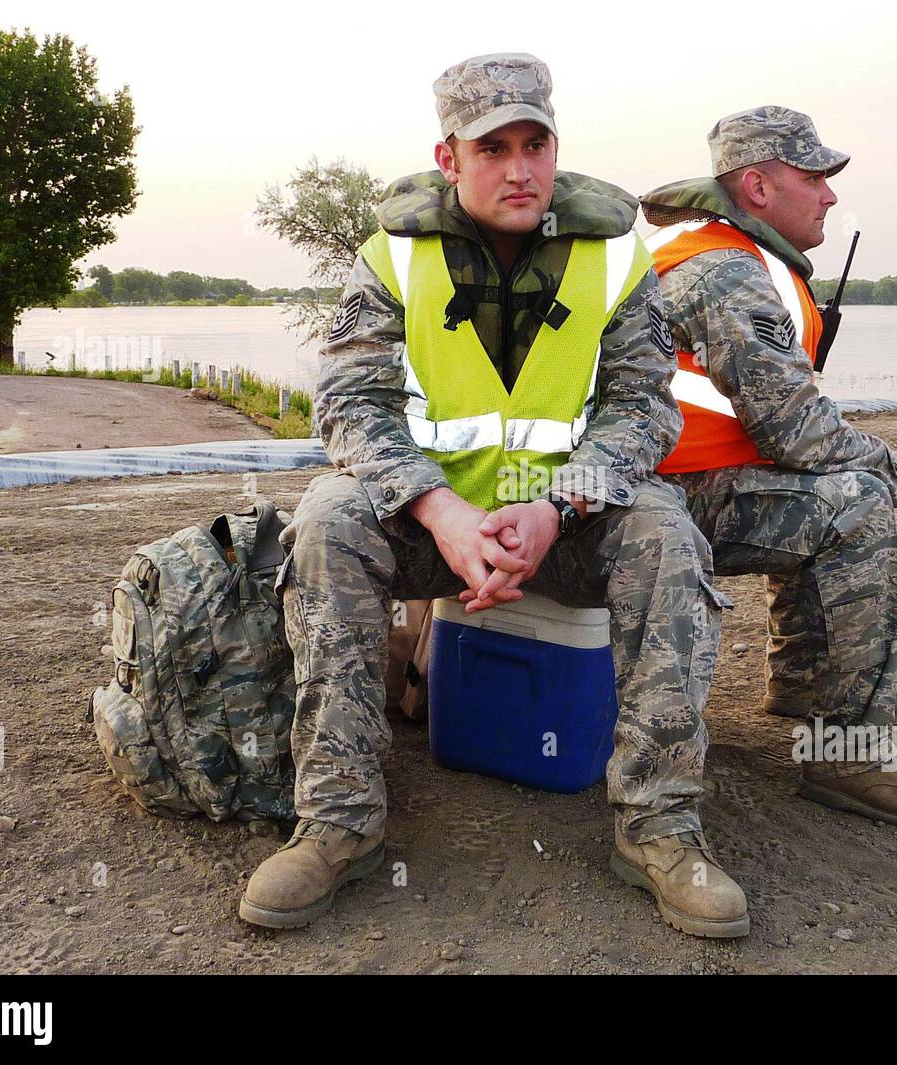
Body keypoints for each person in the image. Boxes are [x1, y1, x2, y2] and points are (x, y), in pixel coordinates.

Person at [240, 54, 750, 937]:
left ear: (556, 147)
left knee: (667, 531)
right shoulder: (391, 257)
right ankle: (338, 818)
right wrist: (442, 512)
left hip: (568, 523)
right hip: (431, 524)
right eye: (492, 148)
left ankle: (659, 826)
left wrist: (557, 507)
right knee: (324, 519)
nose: (518, 168)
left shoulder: (615, 258)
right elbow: (349, 405)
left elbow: (643, 411)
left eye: (535, 143)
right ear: (449, 158)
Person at [639, 106, 897, 832]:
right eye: (815, 175)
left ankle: (801, 689)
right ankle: (851, 758)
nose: (829, 193)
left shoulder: (719, 255)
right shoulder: (726, 272)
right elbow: (794, 427)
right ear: (757, 187)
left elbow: (774, 423)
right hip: (660, 498)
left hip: (664, 483)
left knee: (829, 483)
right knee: (855, 498)